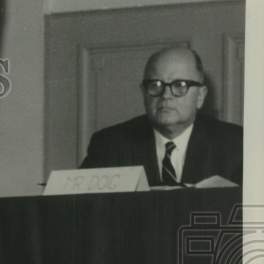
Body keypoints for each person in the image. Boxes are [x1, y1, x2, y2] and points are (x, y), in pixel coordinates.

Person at [81, 47, 243, 186]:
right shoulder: (109, 145)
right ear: (144, 93)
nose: (166, 95)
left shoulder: (236, 145)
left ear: (200, 96)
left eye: (180, 85)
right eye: (155, 85)